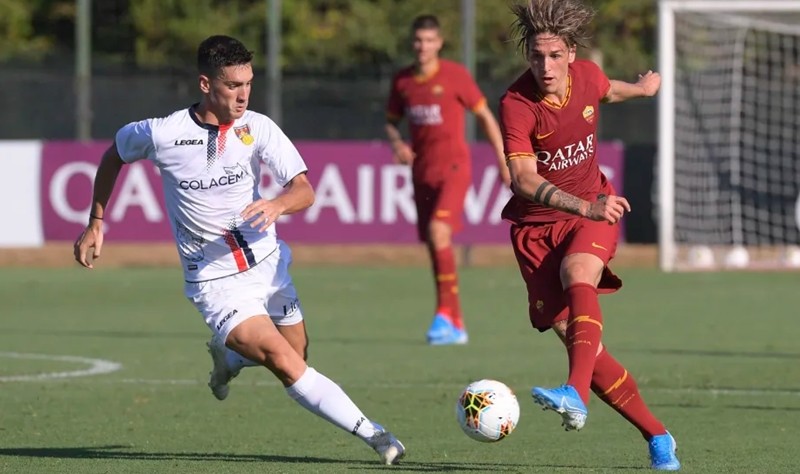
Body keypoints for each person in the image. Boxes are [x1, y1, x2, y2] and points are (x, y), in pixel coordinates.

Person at [73, 35, 405, 465]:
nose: (243, 94)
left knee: (298, 352)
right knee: (285, 362)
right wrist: (96, 221)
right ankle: (377, 436)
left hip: (269, 267)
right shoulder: (163, 133)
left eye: (248, 83)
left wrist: (277, 204)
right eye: (233, 85)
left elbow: (304, 190)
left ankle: (227, 357)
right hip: (216, 283)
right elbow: (113, 155)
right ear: (206, 84)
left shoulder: (258, 127)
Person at [499, 0, 680, 471]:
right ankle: (659, 435)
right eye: (537, 57)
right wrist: (582, 205)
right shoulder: (517, 104)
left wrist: (641, 88)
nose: (546, 66)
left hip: (594, 211)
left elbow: (608, 91)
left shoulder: (588, 76)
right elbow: (521, 180)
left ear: (572, 54)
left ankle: (574, 393)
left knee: (578, 269)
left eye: (555, 56)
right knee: (584, 344)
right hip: (537, 230)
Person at [385, 14, 511, 346]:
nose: (422, 46)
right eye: (417, 40)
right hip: (421, 173)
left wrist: (502, 159)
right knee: (434, 243)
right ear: (412, 43)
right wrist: (397, 143)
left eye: (429, 40)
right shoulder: (403, 81)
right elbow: (391, 122)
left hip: (454, 169)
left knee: (438, 231)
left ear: (439, 43)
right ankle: (455, 322)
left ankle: (444, 314)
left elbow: (484, 115)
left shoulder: (455, 76)